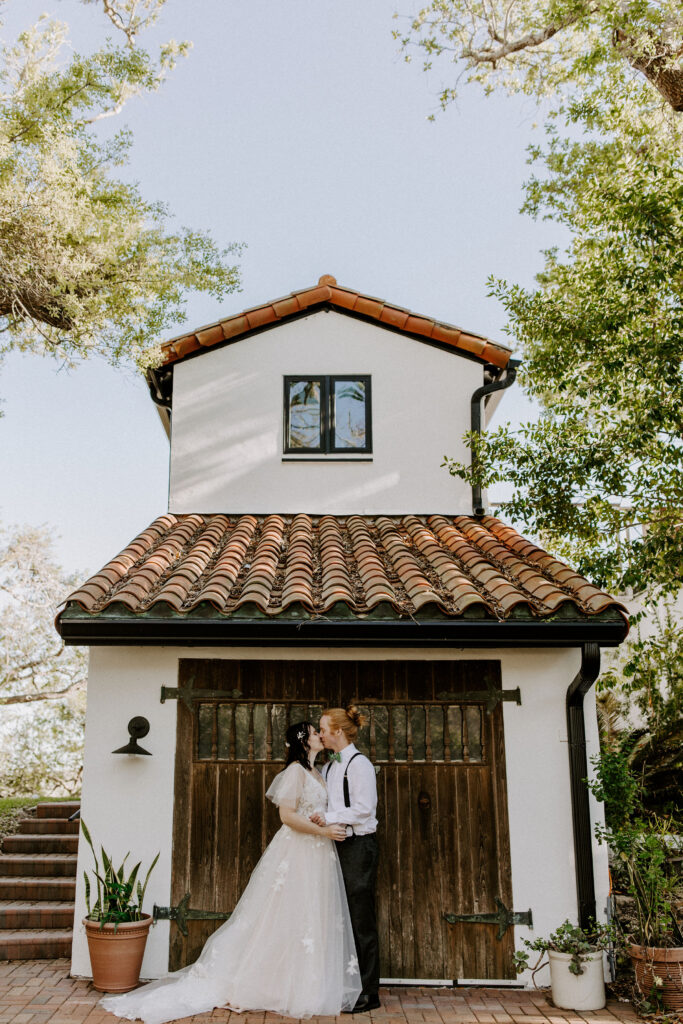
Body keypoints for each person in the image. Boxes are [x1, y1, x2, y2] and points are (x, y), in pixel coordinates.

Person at [100, 723, 362, 1024]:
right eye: (315, 732)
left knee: (307, 915)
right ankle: (258, 982)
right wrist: (323, 830)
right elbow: (287, 816)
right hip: (299, 851)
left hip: (318, 852)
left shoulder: (319, 772)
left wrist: (327, 826)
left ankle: (300, 982)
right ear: (304, 742)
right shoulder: (295, 773)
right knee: (282, 913)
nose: (320, 735)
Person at [314, 706, 381, 1014]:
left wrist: (329, 817)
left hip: (358, 847)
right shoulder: (330, 766)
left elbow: (365, 808)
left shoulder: (359, 764)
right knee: (337, 917)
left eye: (324, 729)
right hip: (335, 845)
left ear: (338, 731)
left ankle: (368, 994)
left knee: (360, 919)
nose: (321, 734)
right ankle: (344, 986)